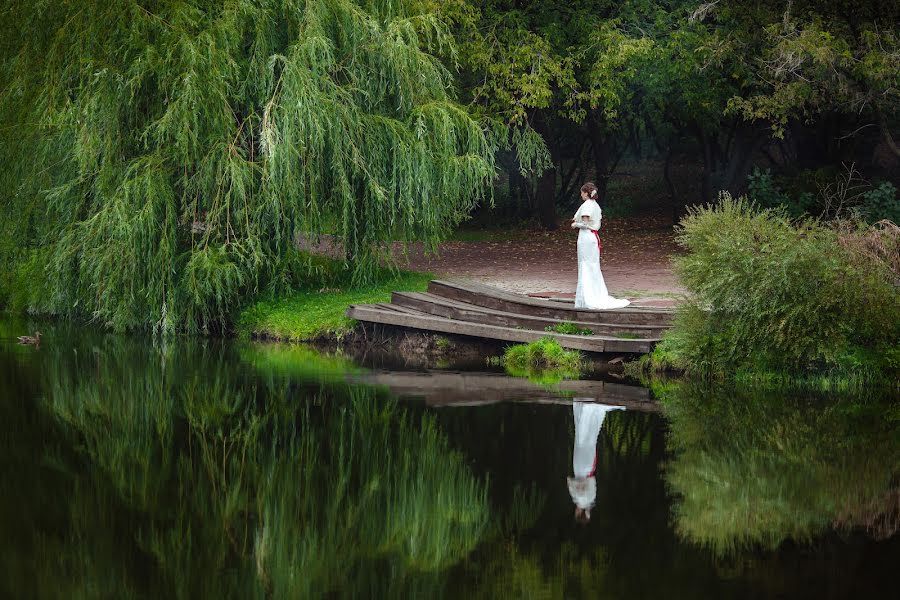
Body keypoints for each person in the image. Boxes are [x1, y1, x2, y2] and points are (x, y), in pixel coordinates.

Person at [571, 183, 630, 309]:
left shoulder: (587, 205)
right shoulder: (595, 205)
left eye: (582, 192)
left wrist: (576, 225)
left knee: (586, 264)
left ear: (586, 193)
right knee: (592, 265)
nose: (581, 194)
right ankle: (592, 295)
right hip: (593, 237)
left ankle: (587, 298)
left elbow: (585, 224)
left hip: (587, 236)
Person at [567, 400, 626, 523]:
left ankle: (592, 412)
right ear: (579, 513)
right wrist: (575, 483)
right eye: (576, 513)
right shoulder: (579, 499)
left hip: (588, 469)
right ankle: (586, 410)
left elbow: (592, 481)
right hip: (579, 469)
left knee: (590, 440)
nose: (575, 511)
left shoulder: (590, 498)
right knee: (580, 440)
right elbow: (569, 481)